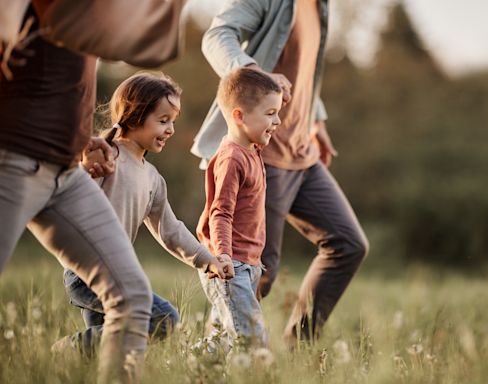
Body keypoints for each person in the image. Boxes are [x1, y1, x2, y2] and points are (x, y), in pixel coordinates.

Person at [0, 2, 183, 382]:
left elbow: (143, 46)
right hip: (13, 159)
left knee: (133, 302)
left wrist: (82, 137)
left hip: (65, 172)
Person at [191, 0, 369, 346]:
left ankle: (297, 347)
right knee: (255, 272)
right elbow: (216, 35)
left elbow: (304, 70)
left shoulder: (321, 7)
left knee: (348, 244)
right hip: (261, 157)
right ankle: (214, 360)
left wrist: (315, 119)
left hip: (303, 152)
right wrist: (253, 72)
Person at [54, 72, 235, 356]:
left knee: (107, 354)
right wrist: (84, 167)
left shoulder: (152, 179)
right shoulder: (106, 157)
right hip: (86, 272)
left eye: (172, 121)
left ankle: (72, 358)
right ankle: (66, 350)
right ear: (135, 115)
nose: (171, 129)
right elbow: (71, 198)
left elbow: (170, 230)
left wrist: (207, 260)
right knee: (163, 319)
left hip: (115, 271)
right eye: (163, 121)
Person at [196, 67, 282, 349]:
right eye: (270, 113)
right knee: (252, 342)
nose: (278, 120)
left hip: (248, 264)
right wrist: (222, 255)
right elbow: (221, 212)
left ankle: (190, 372)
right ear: (239, 116)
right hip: (230, 265)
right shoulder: (232, 158)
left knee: (220, 341)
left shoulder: (252, 150)